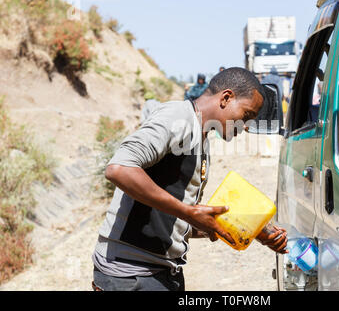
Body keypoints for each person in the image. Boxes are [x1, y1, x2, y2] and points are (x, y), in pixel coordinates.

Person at [91, 67, 288, 291]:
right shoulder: (178, 118)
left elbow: (175, 217)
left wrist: (253, 231)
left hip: (161, 272)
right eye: (246, 116)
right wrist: (189, 212)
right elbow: (119, 168)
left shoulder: (200, 136)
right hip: (129, 275)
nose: (245, 126)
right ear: (226, 98)